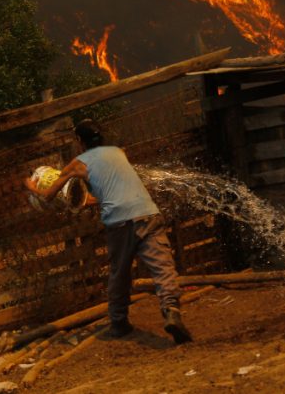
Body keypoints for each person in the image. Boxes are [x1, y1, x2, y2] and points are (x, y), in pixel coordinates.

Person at [24, 118, 193, 344]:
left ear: (79, 141)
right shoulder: (119, 152)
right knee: (162, 266)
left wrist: (31, 186)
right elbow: (112, 190)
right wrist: (83, 201)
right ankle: (171, 309)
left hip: (119, 222)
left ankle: (119, 323)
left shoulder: (77, 163)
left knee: (119, 273)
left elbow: (49, 196)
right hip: (147, 213)